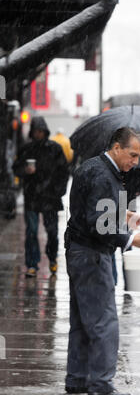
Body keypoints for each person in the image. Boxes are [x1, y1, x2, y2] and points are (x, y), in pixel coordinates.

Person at [64, 127, 140, 395]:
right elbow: (97, 224)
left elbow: (88, 210)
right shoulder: (105, 176)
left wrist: (122, 213)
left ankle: (77, 379)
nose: (136, 162)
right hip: (92, 255)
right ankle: (102, 384)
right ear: (117, 148)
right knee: (104, 320)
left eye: (139, 156)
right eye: (133, 154)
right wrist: (132, 239)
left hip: (78, 251)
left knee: (82, 320)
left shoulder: (93, 168)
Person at [13, 116, 69, 277]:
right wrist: (25, 170)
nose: (38, 134)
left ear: (45, 131)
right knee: (31, 231)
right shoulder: (26, 149)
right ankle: (32, 264)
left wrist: (59, 190)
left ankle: (52, 258)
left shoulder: (55, 148)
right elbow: (16, 168)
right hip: (31, 196)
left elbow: (64, 171)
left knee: (51, 231)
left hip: (50, 198)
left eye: (40, 131)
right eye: (36, 131)